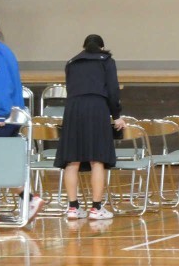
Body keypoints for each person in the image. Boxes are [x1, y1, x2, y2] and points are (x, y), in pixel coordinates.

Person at [0, 13, 44, 224]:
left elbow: (3, 85)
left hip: (2, 116)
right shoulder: (3, 50)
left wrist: (0, 113)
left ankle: (27, 199)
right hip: (10, 115)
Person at [54, 34, 126, 220]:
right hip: (97, 107)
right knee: (97, 159)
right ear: (102, 47)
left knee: (72, 160)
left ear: (83, 47)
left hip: (73, 109)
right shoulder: (106, 61)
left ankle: (72, 208)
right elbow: (113, 90)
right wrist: (116, 115)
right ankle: (96, 208)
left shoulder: (72, 63)